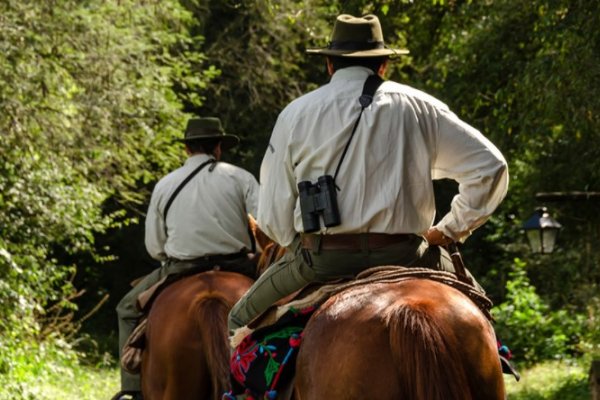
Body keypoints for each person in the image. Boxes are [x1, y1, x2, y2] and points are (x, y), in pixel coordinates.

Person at [228, 14, 508, 332]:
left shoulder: (296, 113)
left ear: (330, 65)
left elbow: (272, 214)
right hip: (407, 255)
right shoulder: (421, 106)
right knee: (481, 316)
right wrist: (449, 230)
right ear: (383, 65)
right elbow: (491, 167)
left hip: (323, 259)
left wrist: (299, 244)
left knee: (237, 321)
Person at [112, 117, 259, 400]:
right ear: (218, 147)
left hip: (181, 268)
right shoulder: (240, 178)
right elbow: (264, 228)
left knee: (127, 309)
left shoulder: (166, 184)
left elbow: (155, 246)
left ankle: (131, 391)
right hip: (239, 264)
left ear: (186, 149)